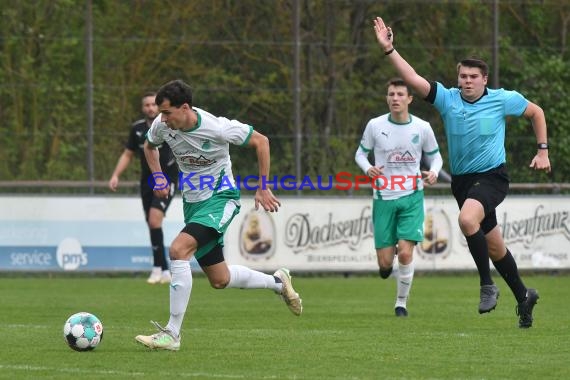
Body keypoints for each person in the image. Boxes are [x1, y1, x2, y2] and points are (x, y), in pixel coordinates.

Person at [373, 17, 551, 328]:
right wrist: (390, 50)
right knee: (494, 246)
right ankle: (524, 296)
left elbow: (537, 111)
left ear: (485, 79)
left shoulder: (501, 99)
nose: (466, 81)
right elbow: (413, 78)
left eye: (472, 76)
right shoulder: (448, 98)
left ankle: (486, 285)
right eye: (462, 76)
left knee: (467, 220)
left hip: (493, 177)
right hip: (463, 182)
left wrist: (542, 149)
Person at [135, 79, 302, 351]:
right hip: (193, 204)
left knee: (178, 250)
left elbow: (261, 141)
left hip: (221, 199)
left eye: (166, 112)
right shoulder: (162, 126)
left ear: (185, 107)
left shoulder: (218, 127)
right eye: (160, 113)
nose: (161, 118)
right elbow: (149, 146)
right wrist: (158, 176)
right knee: (219, 279)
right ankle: (277, 282)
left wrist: (263, 187)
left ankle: (172, 334)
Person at [355, 78, 443, 317]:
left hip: (412, 196)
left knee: (405, 253)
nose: (395, 98)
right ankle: (387, 261)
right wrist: (368, 168)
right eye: (391, 94)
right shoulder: (375, 125)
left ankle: (401, 303)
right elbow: (360, 155)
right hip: (383, 197)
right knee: (385, 264)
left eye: (400, 94)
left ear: (409, 99)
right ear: (387, 98)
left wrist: (434, 172)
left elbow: (436, 157)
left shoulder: (422, 128)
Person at [109, 92, 178, 284]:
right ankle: (161, 269)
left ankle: (161, 269)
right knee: (151, 222)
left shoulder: (168, 124)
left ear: (158, 107)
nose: (150, 108)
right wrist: (116, 175)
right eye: (146, 105)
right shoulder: (137, 129)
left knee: (155, 220)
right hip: (147, 182)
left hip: (167, 180)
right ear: (143, 108)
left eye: (153, 105)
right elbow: (128, 154)